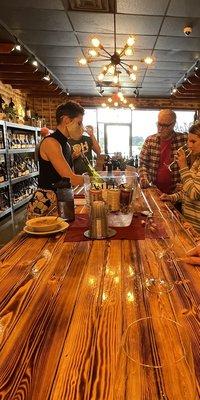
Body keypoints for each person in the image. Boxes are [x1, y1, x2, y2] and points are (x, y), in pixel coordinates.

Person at [27, 101, 85, 217]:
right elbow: (70, 179)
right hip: (45, 202)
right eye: (79, 123)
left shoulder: (66, 145)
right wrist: (96, 178)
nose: (81, 128)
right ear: (66, 120)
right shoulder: (51, 142)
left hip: (61, 198)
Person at [160, 121, 200, 233]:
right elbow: (187, 191)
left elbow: (194, 194)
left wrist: (183, 167)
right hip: (191, 226)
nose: (189, 145)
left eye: (193, 141)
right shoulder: (197, 160)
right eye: (188, 140)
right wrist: (171, 197)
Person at [139, 109, 188, 194]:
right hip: (154, 190)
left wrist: (183, 184)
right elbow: (143, 164)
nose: (160, 128)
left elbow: (192, 165)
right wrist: (144, 178)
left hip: (177, 193)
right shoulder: (150, 140)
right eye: (159, 124)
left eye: (165, 125)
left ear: (173, 124)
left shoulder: (184, 139)